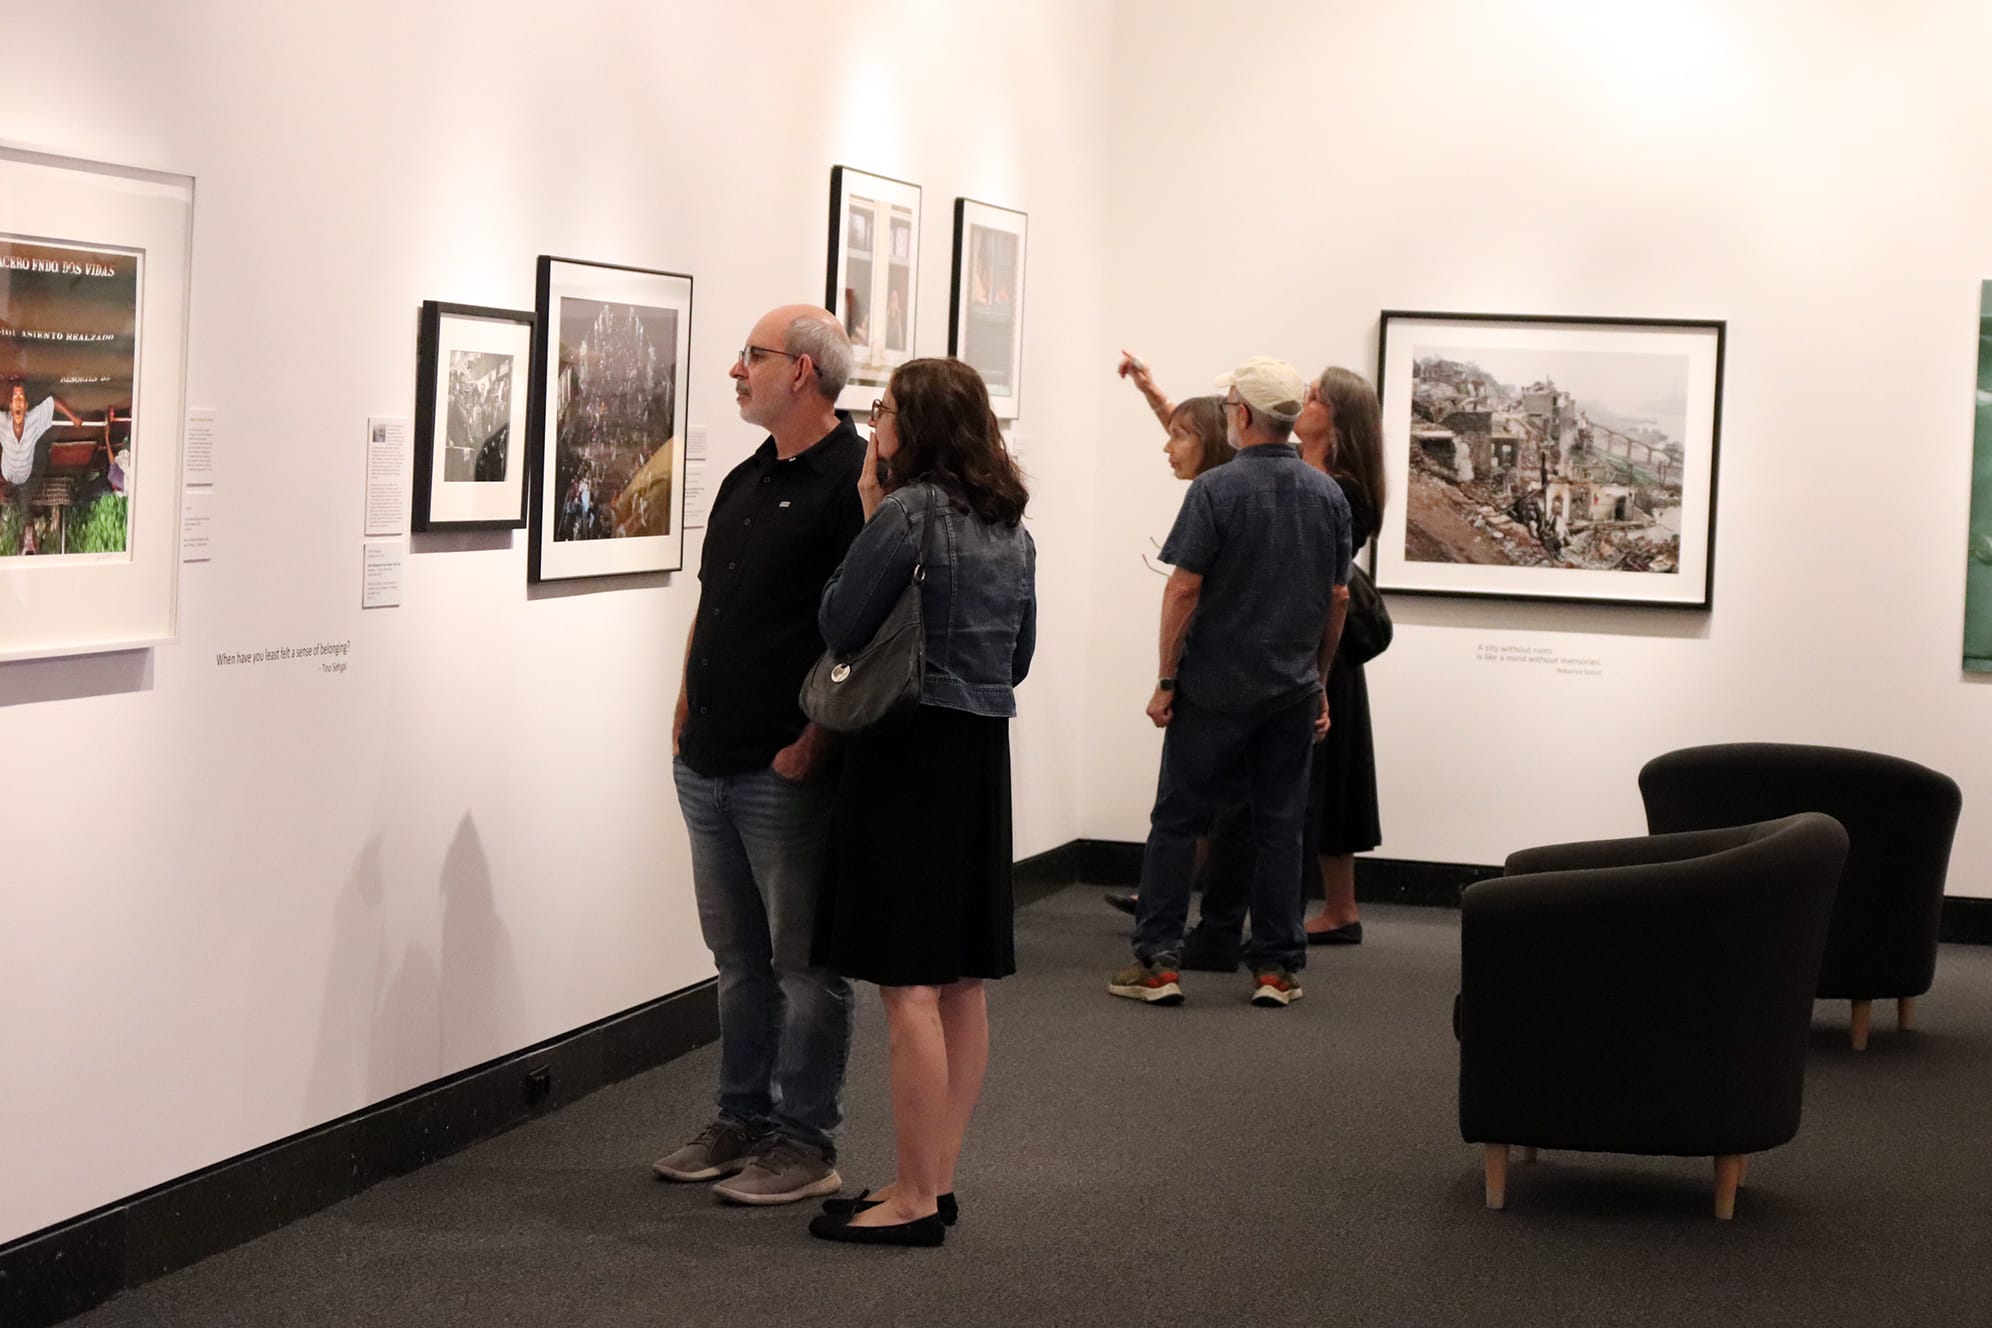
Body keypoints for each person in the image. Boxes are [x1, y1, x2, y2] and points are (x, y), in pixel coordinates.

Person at [807, 357, 1036, 1247]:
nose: (875, 427)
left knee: (906, 987)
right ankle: (933, 1179)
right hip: (980, 754)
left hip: (907, 753)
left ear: (914, 427)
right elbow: (1016, 658)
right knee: (961, 982)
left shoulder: (904, 513)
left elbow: (840, 622)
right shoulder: (1011, 528)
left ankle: (909, 1198)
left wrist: (869, 510)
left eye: (884, 411)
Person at [655, 306, 864, 1206]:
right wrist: (684, 695)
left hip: (786, 763)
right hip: (709, 757)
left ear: (804, 373)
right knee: (737, 958)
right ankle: (741, 1117)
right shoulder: (746, 478)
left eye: (754, 357)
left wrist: (819, 737)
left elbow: (862, 631)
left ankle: (806, 1141)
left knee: (805, 965)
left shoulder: (856, 483)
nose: (737, 371)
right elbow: (715, 601)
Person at [1110, 357, 1351, 1008]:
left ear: (1241, 415)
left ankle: (1158, 964)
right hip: (1292, 689)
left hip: (1214, 685)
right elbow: (1336, 600)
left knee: (1178, 820)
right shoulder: (1328, 495)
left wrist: (1166, 678)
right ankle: (1276, 969)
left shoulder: (1215, 492)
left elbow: (1184, 587)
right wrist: (1320, 682)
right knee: (1279, 828)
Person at [1294, 367, 1389, 944]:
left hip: (1325, 650)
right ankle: (1174, 889)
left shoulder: (1345, 487)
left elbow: (1320, 570)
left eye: (1313, 397)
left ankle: (1341, 910)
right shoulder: (1299, 467)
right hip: (1300, 640)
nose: (1302, 403)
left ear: (1336, 416)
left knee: (1334, 780)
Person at [2, 382, 82, 555]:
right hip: (32, 468)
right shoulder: (22, 425)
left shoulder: (17, 422)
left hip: (21, 474)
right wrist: (74, 418)